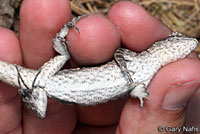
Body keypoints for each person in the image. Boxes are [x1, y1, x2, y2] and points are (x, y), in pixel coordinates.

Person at [0, 0, 199, 133]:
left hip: (43, 88)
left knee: (41, 113)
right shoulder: (141, 59)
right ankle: (27, 81)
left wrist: (138, 91)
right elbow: (120, 53)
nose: (183, 46)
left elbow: (136, 88)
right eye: (176, 42)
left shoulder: (149, 75)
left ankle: (25, 88)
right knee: (66, 53)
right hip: (46, 80)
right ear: (163, 46)